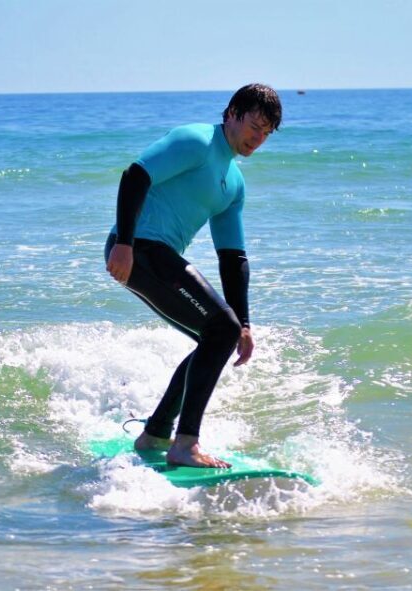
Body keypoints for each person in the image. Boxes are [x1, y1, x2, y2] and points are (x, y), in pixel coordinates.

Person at [105, 83, 282, 468]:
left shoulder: (233, 182)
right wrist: (123, 242)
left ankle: (155, 434)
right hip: (139, 248)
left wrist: (245, 325)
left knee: (219, 334)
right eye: (255, 125)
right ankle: (184, 444)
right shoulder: (197, 141)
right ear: (233, 112)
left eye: (267, 133)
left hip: (158, 254)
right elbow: (135, 175)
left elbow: (233, 256)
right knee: (219, 329)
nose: (259, 138)